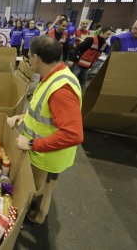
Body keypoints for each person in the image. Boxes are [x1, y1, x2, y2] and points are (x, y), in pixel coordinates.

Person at [7, 36, 83, 224]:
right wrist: (22, 117)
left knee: (40, 192)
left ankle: (36, 217)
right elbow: (45, 115)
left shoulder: (61, 89)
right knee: (37, 189)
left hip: (46, 157)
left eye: (29, 57)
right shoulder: (52, 75)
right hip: (40, 153)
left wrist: (32, 143)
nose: (28, 60)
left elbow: (73, 134)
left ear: (36, 58)